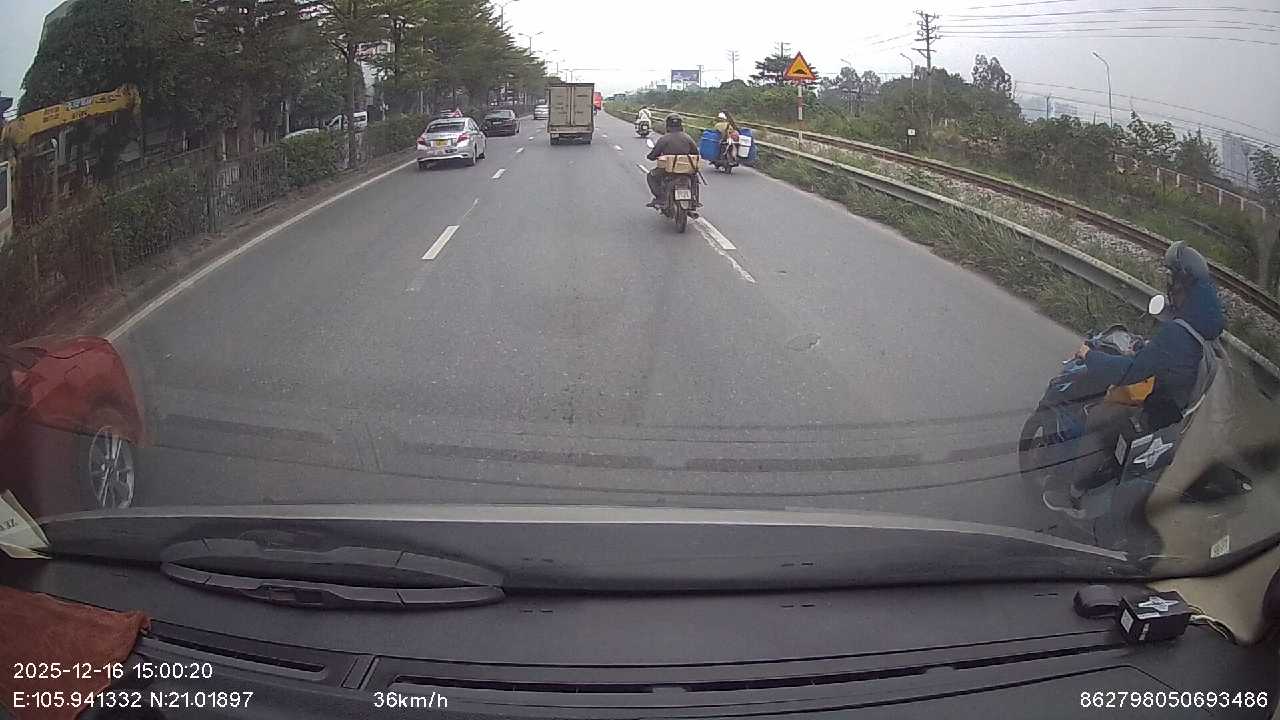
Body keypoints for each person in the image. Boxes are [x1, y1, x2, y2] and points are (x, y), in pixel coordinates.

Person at [1043, 241, 1226, 517]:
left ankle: (1074, 495)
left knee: (1097, 418)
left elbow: (1129, 372)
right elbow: (1171, 360)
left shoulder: (1178, 333)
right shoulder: (1205, 331)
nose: (1169, 284)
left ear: (1183, 283)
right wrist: (1148, 350)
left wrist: (1089, 355)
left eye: (1172, 277)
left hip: (1156, 417)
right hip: (1177, 418)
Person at [646, 114, 699, 208]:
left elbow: (653, 155)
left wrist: (651, 157)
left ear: (668, 126)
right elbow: (696, 153)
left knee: (651, 176)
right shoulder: (687, 137)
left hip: (669, 169)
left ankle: (660, 198)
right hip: (686, 169)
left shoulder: (664, 139)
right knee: (695, 178)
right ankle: (694, 199)